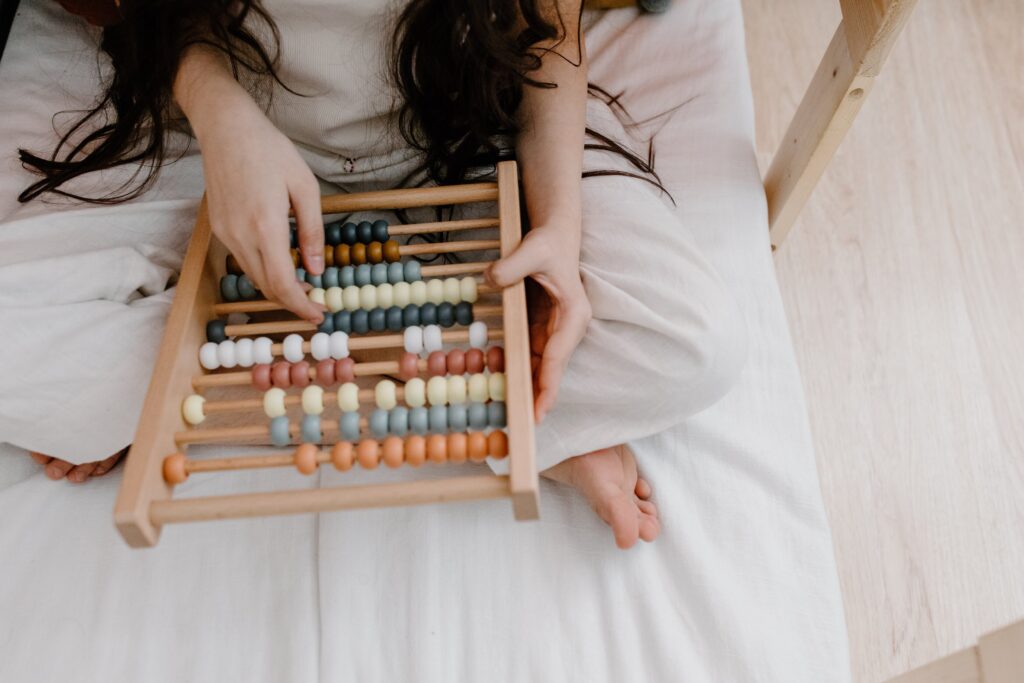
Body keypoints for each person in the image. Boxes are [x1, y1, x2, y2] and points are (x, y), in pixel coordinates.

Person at [20, 0, 746, 549]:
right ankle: (506, 403)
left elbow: (546, 27)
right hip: (225, 142)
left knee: (693, 342)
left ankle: (466, 400)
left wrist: (557, 225)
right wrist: (215, 110)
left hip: (458, 127)